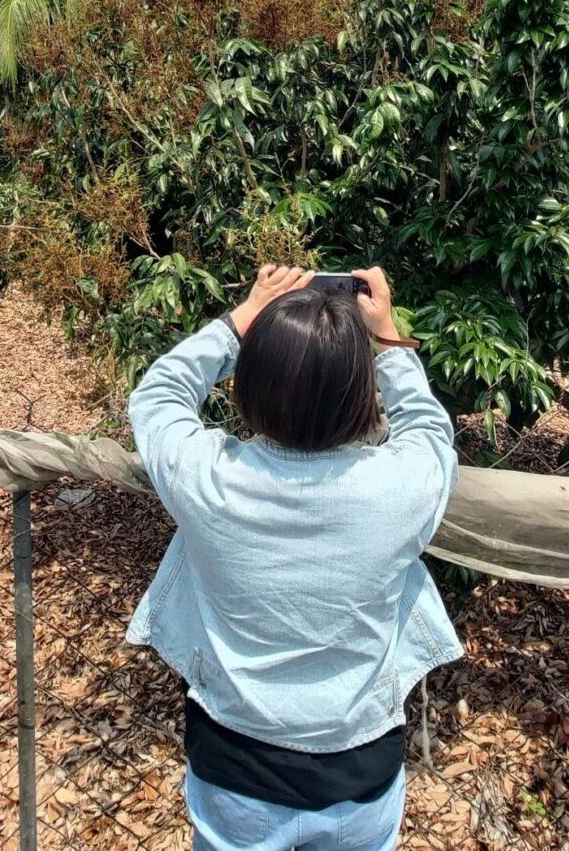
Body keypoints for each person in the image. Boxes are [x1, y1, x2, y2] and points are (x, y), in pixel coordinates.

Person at [126, 265, 461, 851]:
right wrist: (386, 339)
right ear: (361, 393)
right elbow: (429, 427)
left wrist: (242, 318)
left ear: (247, 386)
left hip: (234, 767)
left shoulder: (209, 478)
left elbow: (158, 393)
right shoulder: (400, 489)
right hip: (360, 773)